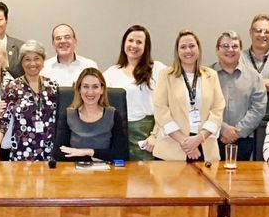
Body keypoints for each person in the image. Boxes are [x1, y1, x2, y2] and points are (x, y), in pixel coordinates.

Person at [151, 30, 226, 162]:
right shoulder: (166, 75)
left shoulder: (211, 75)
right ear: (177, 51)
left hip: (204, 145)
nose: (188, 51)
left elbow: (218, 109)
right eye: (183, 47)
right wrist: (185, 142)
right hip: (172, 147)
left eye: (192, 46)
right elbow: (161, 110)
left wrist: (199, 138)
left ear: (198, 48)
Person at [104, 24, 166, 160]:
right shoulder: (112, 72)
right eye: (130, 40)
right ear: (124, 43)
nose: (134, 45)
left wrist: (155, 134)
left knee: (145, 178)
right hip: (118, 133)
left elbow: (168, 105)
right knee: (118, 177)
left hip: (148, 135)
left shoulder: (157, 69)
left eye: (139, 42)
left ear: (146, 46)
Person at [0, 40, 56, 161]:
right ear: (21, 62)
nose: (32, 63)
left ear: (43, 61)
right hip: (22, 153)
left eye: (37, 58)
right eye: (27, 59)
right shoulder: (12, 87)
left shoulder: (52, 86)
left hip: (49, 152)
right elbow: (2, 122)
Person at [212, 31, 267, 162]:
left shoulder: (254, 77)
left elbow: (258, 108)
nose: (230, 50)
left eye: (235, 46)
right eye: (225, 46)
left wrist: (237, 132)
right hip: (212, 138)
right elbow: (202, 107)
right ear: (217, 50)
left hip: (245, 141)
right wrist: (222, 128)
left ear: (241, 50)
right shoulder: (206, 76)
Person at [54, 68, 129, 162]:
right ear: (79, 89)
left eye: (95, 87)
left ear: (102, 89)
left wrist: (88, 152)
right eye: (85, 86)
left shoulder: (113, 114)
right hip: (75, 172)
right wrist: (95, 157)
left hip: (107, 173)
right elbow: (58, 154)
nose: (90, 92)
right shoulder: (69, 114)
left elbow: (122, 154)